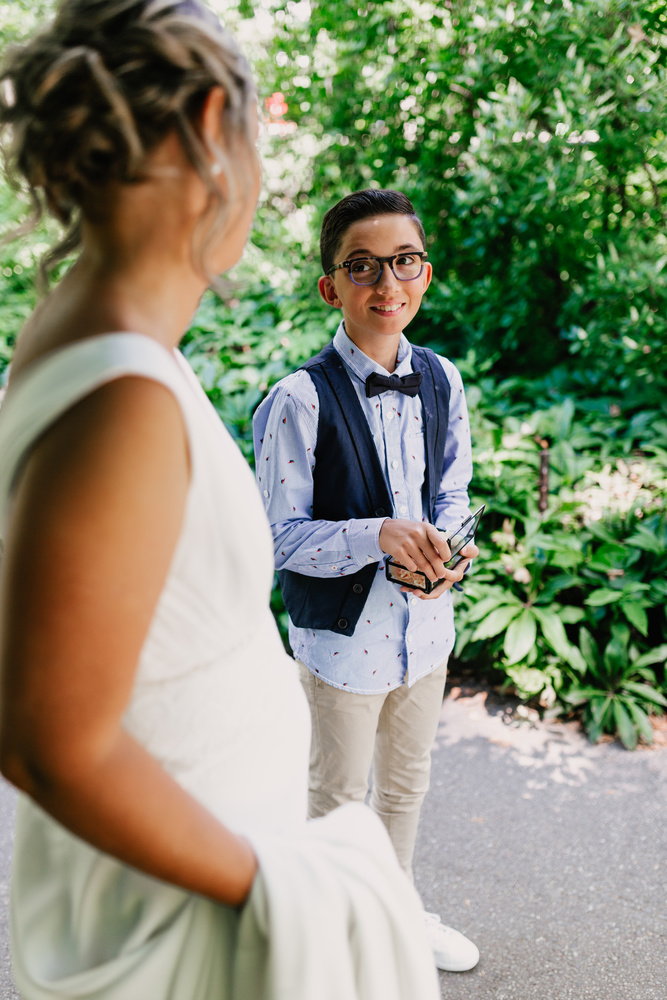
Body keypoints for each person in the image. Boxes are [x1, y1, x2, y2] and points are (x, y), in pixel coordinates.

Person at [0, 7, 441, 1000]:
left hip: (174, 869)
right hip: (181, 909)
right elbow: (46, 740)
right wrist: (288, 889)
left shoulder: (77, 323)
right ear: (209, 123)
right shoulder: (121, 399)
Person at [253, 188, 481, 973]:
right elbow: (281, 539)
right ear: (331, 286)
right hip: (343, 641)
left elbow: (453, 493)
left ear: (425, 273)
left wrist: (451, 549)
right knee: (337, 797)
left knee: (405, 786)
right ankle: (325, 940)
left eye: (403, 262)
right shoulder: (297, 399)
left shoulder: (443, 379)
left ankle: (394, 914)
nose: (387, 285)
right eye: (362, 267)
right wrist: (377, 535)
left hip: (425, 631)